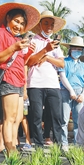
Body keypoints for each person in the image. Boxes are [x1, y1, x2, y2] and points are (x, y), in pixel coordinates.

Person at [0, 2, 40, 154]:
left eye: (22, 23)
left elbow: (23, 62)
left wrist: (29, 52)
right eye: (16, 21)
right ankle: (10, 151)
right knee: (9, 118)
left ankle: (13, 147)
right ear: (8, 18)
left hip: (19, 81)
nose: (18, 25)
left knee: (17, 118)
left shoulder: (18, 40)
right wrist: (13, 48)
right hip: (7, 78)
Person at [26, 10, 66, 148]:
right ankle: (38, 146)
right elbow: (29, 62)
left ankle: (60, 146)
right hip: (35, 84)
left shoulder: (56, 44)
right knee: (36, 117)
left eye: (51, 24)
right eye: (46, 23)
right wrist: (45, 50)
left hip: (53, 84)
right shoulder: (32, 41)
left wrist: (47, 57)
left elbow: (62, 64)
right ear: (40, 24)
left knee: (57, 117)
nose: (49, 27)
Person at [59, 36, 84, 151]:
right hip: (65, 91)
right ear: (70, 49)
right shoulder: (64, 62)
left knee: (78, 120)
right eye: (75, 48)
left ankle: (78, 143)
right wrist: (71, 91)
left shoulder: (83, 65)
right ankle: (64, 143)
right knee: (64, 119)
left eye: (79, 49)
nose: (77, 51)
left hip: (80, 92)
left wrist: (83, 94)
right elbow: (62, 76)